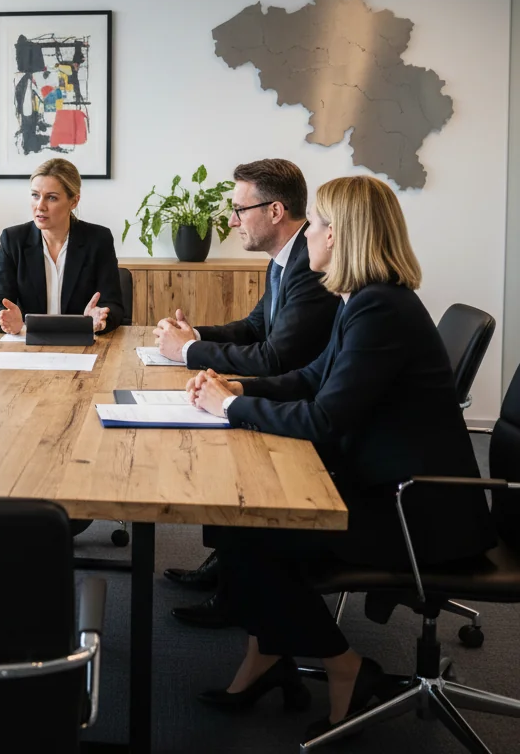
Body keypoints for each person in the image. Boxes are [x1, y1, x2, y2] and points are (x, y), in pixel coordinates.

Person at [185, 175, 495, 742]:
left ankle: (340, 662)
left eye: (320, 226)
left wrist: (231, 409)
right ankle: (268, 655)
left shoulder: (381, 309)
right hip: (391, 486)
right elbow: (311, 378)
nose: (311, 237)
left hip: (418, 513)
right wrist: (238, 389)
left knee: (252, 532)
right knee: (242, 525)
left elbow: (325, 417)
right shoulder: (366, 299)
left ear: (341, 234)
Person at [158, 159, 341, 621]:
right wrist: (195, 336)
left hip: (304, 410)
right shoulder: (283, 259)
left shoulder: (308, 265)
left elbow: (276, 356)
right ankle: (229, 569)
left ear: (275, 211)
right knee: (216, 425)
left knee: (225, 446)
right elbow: (256, 326)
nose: (233, 220)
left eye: (240, 209)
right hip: (295, 392)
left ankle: (238, 589)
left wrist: (189, 355)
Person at [0, 157, 123, 335]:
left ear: (73, 202)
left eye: (51, 198)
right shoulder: (13, 240)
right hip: (29, 345)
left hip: (81, 344)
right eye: (35, 195)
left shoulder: (98, 240)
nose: (40, 206)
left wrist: (101, 319)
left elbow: (114, 306)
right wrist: (4, 319)